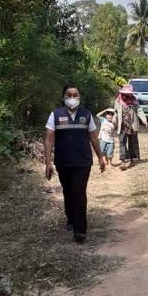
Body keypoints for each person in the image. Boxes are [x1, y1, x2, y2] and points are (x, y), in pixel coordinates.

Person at [44, 84, 106, 243]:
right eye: (69, 94)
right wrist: (48, 162)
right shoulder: (55, 115)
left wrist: (100, 156)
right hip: (63, 162)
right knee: (68, 191)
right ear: (64, 97)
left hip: (82, 161)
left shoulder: (86, 114)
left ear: (80, 96)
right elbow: (49, 138)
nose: (72, 98)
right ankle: (71, 219)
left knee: (79, 192)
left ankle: (80, 230)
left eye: (75, 94)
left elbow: (93, 137)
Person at [114, 84, 148, 170]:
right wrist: (114, 122)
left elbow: (139, 110)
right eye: (126, 93)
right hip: (122, 125)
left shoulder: (135, 100)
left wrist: (144, 119)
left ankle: (132, 158)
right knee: (122, 142)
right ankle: (123, 160)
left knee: (133, 142)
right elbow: (116, 112)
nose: (127, 94)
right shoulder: (118, 100)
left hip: (132, 124)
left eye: (129, 93)